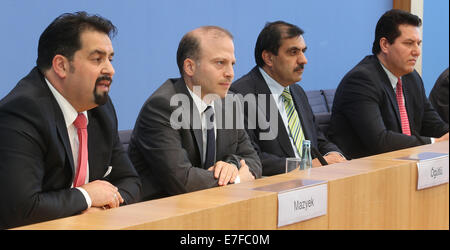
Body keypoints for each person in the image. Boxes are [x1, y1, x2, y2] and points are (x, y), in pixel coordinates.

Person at [0, 12, 141, 229]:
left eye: (110, 59)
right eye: (97, 59)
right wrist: (85, 196)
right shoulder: (21, 112)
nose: (110, 70)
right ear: (61, 65)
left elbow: (131, 182)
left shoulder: (101, 108)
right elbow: (22, 208)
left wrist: (98, 208)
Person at [128, 26, 262, 201]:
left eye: (232, 63)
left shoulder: (230, 102)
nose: (230, 73)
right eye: (220, 63)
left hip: (212, 207)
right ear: (190, 67)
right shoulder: (162, 106)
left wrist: (231, 164)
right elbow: (182, 181)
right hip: (162, 214)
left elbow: (253, 161)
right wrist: (236, 179)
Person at [329, 9, 449, 159]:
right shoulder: (361, 81)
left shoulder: (412, 78)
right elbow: (380, 141)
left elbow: (433, 125)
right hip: (366, 172)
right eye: (409, 43)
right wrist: (434, 143)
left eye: (418, 44)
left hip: (404, 166)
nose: (417, 51)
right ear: (385, 44)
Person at [230, 21, 346, 176]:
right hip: (274, 187)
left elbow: (317, 141)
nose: (303, 60)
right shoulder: (240, 95)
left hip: (312, 182)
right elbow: (252, 158)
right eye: (293, 52)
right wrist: (307, 165)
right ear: (269, 58)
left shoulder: (297, 91)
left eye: (303, 51)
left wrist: (334, 155)